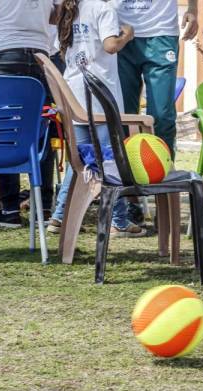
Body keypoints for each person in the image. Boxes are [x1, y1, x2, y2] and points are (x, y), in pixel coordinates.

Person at [47, 0, 143, 238]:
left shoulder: (69, 9)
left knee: (80, 161)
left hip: (75, 94)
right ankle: (118, 220)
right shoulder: (103, 9)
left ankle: (60, 215)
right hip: (100, 97)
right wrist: (127, 36)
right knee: (110, 159)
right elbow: (110, 46)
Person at [0, 0, 60, 228]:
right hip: (40, 54)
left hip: (3, 53)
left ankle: (10, 209)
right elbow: (57, 15)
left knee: (4, 133)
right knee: (41, 131)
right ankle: (43, 207)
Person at [113, 0, 198, 225]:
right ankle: (130, 198)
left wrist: (193, 9)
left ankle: (163, 192)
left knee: (161, 117)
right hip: (121, 30)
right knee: (123, 117)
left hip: (161, 31)